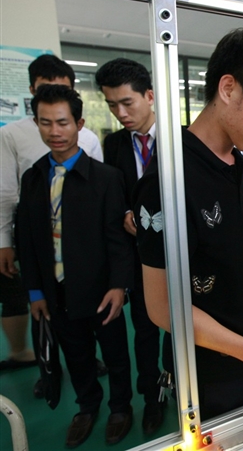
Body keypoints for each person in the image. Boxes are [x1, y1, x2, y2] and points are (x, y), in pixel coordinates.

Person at [133, 27, 243, 421]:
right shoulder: (169, 181)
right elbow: (163, 309)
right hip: (214, 368)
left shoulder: (236, 163)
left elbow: (237, 259)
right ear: (228, 89)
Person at [16, 85, 134, 447]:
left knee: (115, 355)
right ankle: (86, 407)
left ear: (79, 124)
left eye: (63, 122)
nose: (55, 131)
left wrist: (119, 286)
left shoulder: (106, 178)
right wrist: (35, 292)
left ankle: (120, 408)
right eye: (46, 123)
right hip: (56, 292)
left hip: (101, 291)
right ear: (37, 124)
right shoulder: (33, 178)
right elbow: (27, 241)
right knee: (76, 355)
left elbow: (118, 240)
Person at [0, 54, 105, 395]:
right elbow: (5, 192)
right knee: (43, 309)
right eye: (46, 89)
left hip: (80, 247)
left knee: (84, 313)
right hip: (37, 241)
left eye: (64, 89)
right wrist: (4, 241)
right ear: (33, 91)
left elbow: (102, 197)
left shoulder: (88, 138)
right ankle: (49, 371)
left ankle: (87, 364)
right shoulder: (12, 135)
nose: (56, 129)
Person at [95, 58, 164, 434]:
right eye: (111, 105)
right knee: (146, 330)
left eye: (127, 103)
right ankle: (152, 398)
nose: (120, 113)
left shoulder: (180, 138)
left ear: (149, 96)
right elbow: (115, 194)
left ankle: (181, 389)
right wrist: (125, 211)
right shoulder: (114, 144)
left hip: (180, 255)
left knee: (185, 329)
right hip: (139, 258)